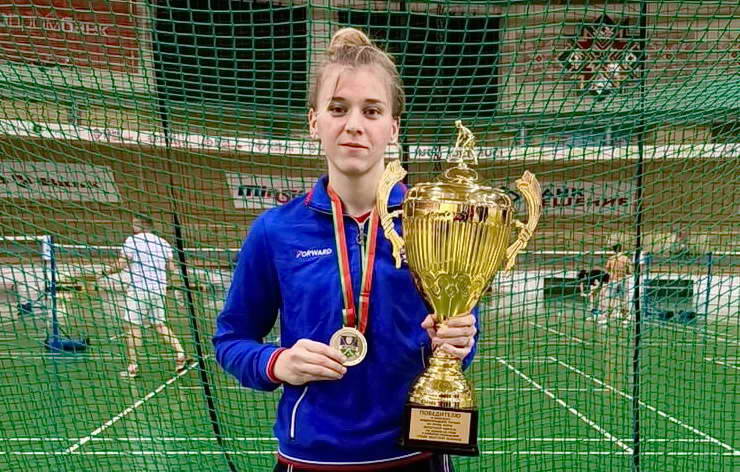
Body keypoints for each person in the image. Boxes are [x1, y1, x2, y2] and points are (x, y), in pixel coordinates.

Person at [213, 28, 478, 472]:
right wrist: (277, 362)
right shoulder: (275, 231)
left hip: (417, 453)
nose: (354, 124)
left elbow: (461, 334)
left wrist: (459, 340)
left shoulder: (435, 224)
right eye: (338, 108)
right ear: (314, 121)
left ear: (393, 127)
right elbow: (231, 340)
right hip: (310, 459)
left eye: (372, 110)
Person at [100, 214, 188, 378]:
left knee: (132, 326)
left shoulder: (132, 241)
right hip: (158, 289)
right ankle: (180, 352)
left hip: (139, 290)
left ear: (139, 225)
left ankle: (133, 367)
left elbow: (121, 264)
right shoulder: (163, 242)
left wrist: (105, 271)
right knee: (159, 324)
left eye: (134, 223)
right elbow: (171, 268)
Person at [604, 243, 633, 324]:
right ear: (621, 249)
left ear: (614, 250)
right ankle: (625, 318)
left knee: (610, 300)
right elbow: (630, 271)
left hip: (613, 280)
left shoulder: (611, 259)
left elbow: (607, 269)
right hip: (623, 280)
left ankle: (607, 318)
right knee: (623, 300)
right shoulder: (626, 259)